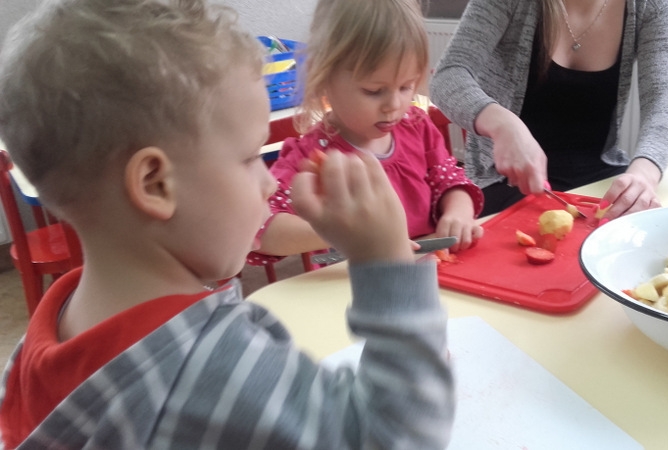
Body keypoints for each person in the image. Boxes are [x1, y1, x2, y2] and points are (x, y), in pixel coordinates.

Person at [0, 0, 455, 447]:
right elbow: (401, 436)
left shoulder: (39, 344)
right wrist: (387, 264)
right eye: (251, 157)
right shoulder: (214, 369)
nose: (268, 183)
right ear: (156, 184)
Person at [250, 0, 484, 267]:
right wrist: (344, 232)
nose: (394, 105)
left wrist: (458, 211)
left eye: (406, 87)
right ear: (322, 76)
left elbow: (448, 179)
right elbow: (263, 231)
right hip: (356, 285)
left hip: (435, 271)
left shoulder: (417, 126)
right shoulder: (310, 159)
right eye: (374, 91)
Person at [429, 0, 668, 219]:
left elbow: (664, 101)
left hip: (599, 180)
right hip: (504, 182)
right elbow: (448, 76)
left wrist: (644, 174)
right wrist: (503, 125)